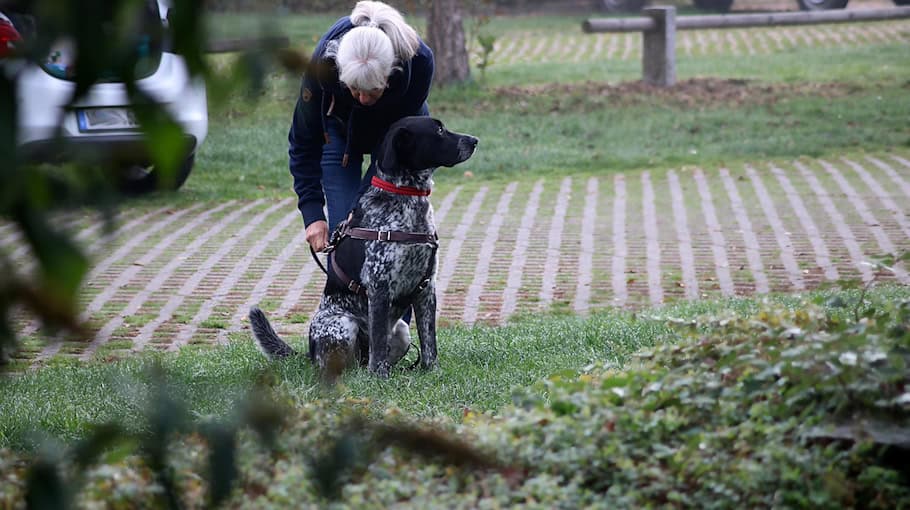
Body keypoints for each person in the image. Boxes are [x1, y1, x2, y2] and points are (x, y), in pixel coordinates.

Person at [288, 0, 435, 253]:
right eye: (354, 89)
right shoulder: (324, 66)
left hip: (396, 131)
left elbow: (398, 144)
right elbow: (304, 140)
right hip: (338, 128)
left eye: (373, 90)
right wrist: (312, 214)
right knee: (344, 232)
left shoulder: (419, 61)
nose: (364, 99)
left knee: (384, 227)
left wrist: (361, 206)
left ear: (391, 73)